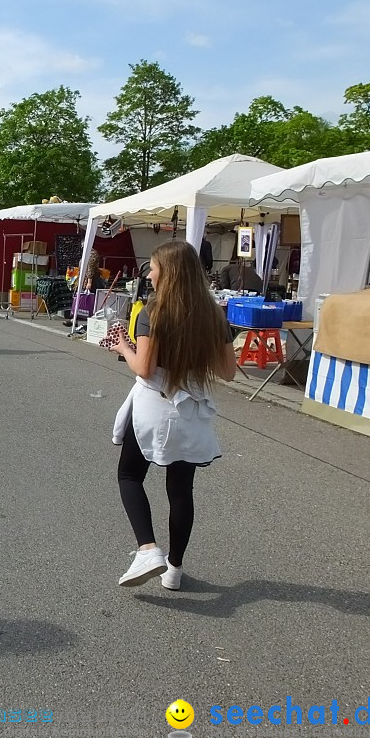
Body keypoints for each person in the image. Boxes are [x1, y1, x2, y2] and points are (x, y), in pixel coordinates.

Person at [106, 240, 237, 590]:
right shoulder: (214, 314)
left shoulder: (155, 311)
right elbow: (228, 372)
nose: (149, 274)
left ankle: (148, 548)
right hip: (193, 411)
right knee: (181, 488)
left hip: (154, 406)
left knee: (130, 476)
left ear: (169, 272)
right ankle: (174, 570)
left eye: (153, 267)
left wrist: (122, 347)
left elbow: (145, 368)